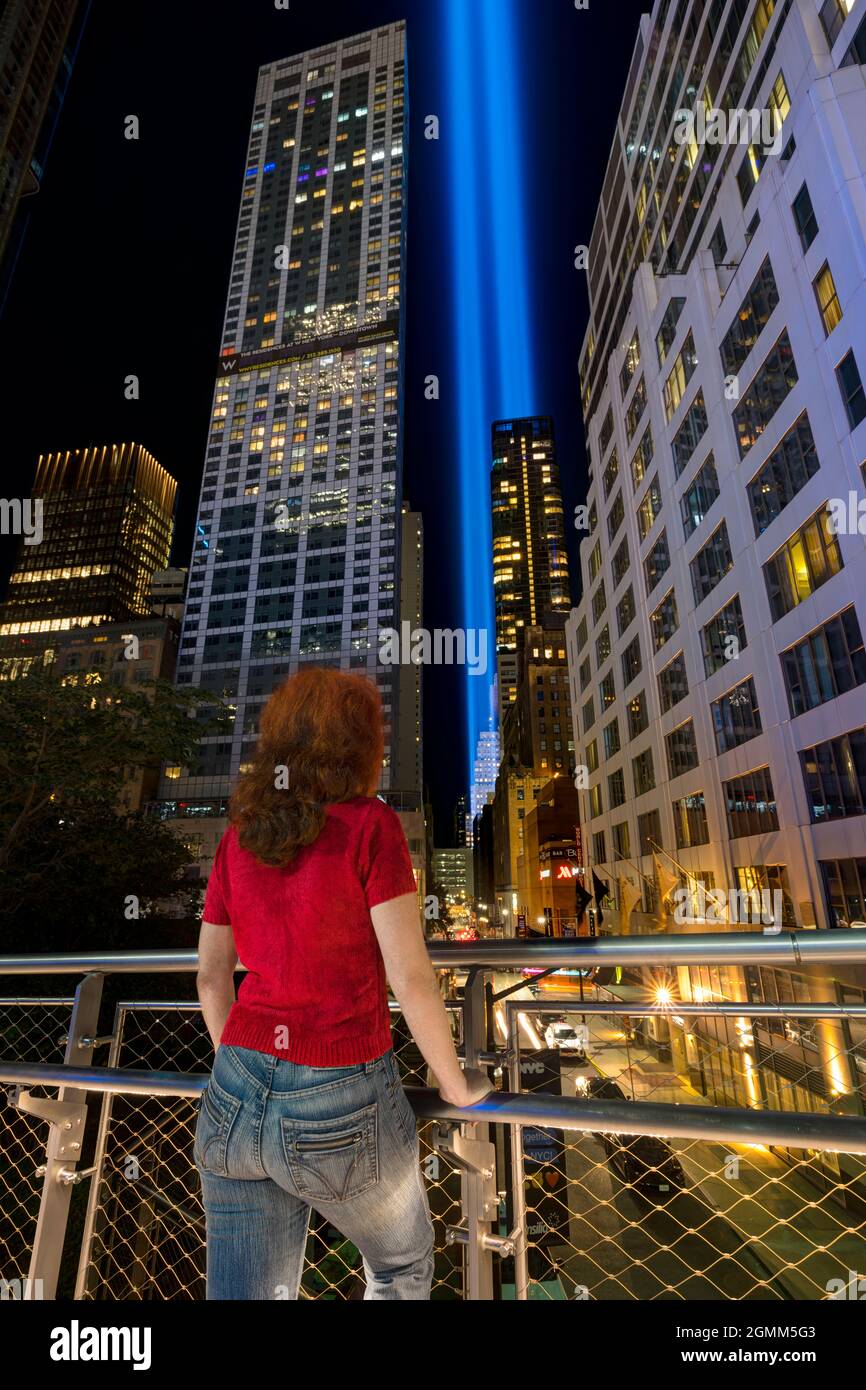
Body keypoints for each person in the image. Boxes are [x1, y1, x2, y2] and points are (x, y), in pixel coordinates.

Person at [194, 667, 490, 1301]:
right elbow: (410, 975)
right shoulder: (368, 826)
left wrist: (241, 1064)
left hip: (234, 1091)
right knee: (400, 1267)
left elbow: (211, 977)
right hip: (338, 1094)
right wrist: (454, 1084)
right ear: (362, 744)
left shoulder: (237, 838)